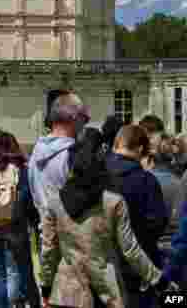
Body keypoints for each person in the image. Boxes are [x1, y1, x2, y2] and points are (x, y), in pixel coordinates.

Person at [40, 127, 168, 307]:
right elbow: (131, 250)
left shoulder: (55, 202)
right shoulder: (113, 202)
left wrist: (45, 286)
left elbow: (48, 249)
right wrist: (158, 279)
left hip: (66, 291)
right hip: (105, 289)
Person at [0, 131, 41, 308]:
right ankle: (32, 303)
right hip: (17, 225)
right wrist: (33, 222)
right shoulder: (22, 168)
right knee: (24, 270)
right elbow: (29, 198)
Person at [106, 124, 168, 308]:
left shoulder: (97, 175)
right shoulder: (146, 181)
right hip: (139, 266)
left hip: (103, 264)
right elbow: (157, 223)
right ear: (141, 149)